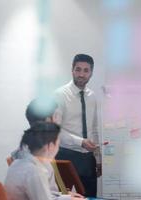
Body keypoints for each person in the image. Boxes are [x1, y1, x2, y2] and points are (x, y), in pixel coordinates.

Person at [10, 98, 83, 199]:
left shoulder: (23, 153)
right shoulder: (35, 167)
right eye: (56, 116)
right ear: (48, 121)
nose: (59, 121)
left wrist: (64, 196)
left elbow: (43, 191)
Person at [54, 54, 101, 197]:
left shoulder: (92, 96)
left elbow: (94, 129)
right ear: (72, 70)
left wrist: (98, 159)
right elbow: (55, 131)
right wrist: (80, 142)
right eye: (78, 69)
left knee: (90, 197)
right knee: (63, 197)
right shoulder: (60, 95)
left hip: (88, 158)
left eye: (86, 70)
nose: (81, 74)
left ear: (91, 73)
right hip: (65, 156)